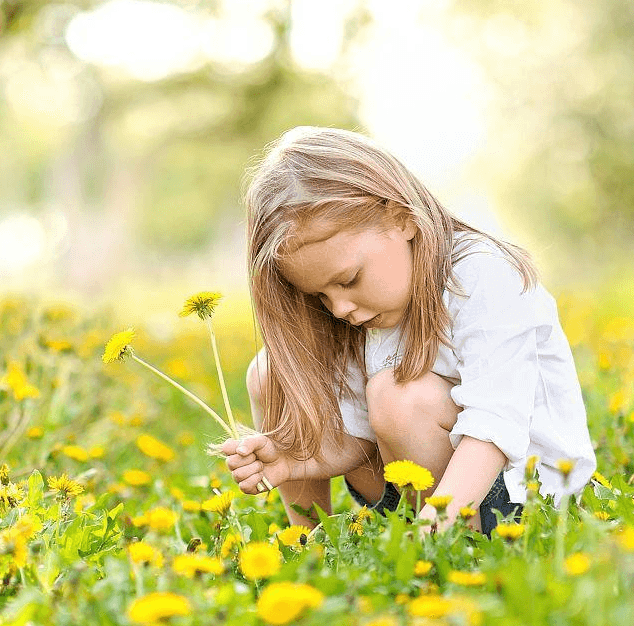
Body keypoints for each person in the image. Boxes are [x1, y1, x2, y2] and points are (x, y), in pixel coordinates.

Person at [222, 126, 596, 536]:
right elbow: (357, 432)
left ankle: (462, 546)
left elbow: (494, 428)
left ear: (401, 219)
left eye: (348, 280)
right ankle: (311, 538)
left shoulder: (482, 275)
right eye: (320, 296)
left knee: (399, 398)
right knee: (273, 371)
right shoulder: (369, 309)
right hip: (416, 493)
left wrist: (437, 524)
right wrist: (295, 459)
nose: (339, 307)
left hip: (521, 497)